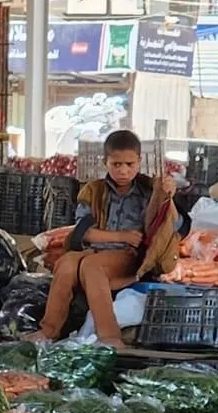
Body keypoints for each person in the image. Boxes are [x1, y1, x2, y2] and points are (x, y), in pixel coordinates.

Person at [33, 129, 182, 348]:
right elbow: (83, 231)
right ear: (106, 163)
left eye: (130, 164)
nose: (123, 170)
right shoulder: (93, 190)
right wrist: (122, 235)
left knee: (92, 265)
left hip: (129, 257)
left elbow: (173, 225)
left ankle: (109, 337)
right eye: (116, 164)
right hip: (96, 250)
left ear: (139, 162)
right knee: (66, 262)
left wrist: (167, 196)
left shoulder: (149, 191)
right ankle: (48, 331)